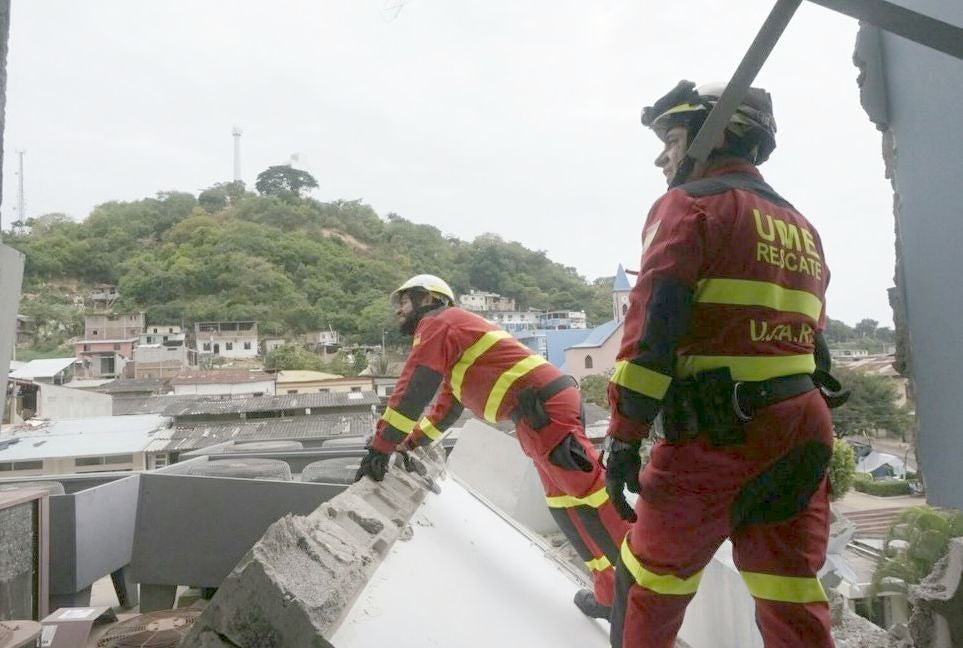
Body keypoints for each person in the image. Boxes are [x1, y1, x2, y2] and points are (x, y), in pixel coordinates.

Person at [604, 81, 839, 647]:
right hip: (803, 430)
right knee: (788, 588)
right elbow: (815, 341)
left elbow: (652, 332)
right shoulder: (803, 227)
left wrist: (625, 437)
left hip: (718, 437)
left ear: (714, 135)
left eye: (674, 139)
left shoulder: (690, 204)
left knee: (649, 580)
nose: (662, 156)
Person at [355, 273, 631, 619]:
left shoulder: (438, 323)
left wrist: (382, 446)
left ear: (428, 299)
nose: (399, 310)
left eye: (404, 301)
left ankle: (636, 590)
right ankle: (608, 594)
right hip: (534, 418)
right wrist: (405, 445)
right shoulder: (455, 346)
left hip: (545, 410)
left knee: (589, 497)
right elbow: (444, 411)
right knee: (565, 507)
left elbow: (414, 387)